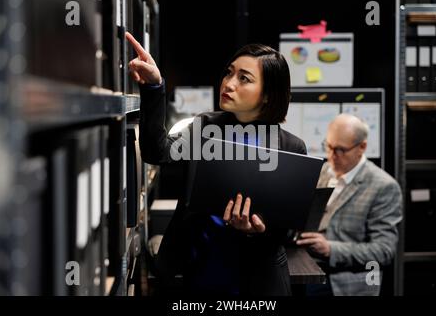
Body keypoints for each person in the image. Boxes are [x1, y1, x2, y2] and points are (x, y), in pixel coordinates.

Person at [125, 32, 306, 296]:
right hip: (202, 269)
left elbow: (288, 229)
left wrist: (257, 231)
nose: (229, 83)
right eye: (229, 73)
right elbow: (158, 152)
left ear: (267, 94)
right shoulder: (205, 127)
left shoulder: (291, 148)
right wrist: (154, 87)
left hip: (257, 281)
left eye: (244, 78)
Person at [296, 114, 403, 296]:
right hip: (306, 272)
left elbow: (383, 250)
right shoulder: (321, 172)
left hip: (346, 284)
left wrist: (331, 249)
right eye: (328, 146)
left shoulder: (383, 186)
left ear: (362, 147)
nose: (331, 156)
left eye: (340, 150)